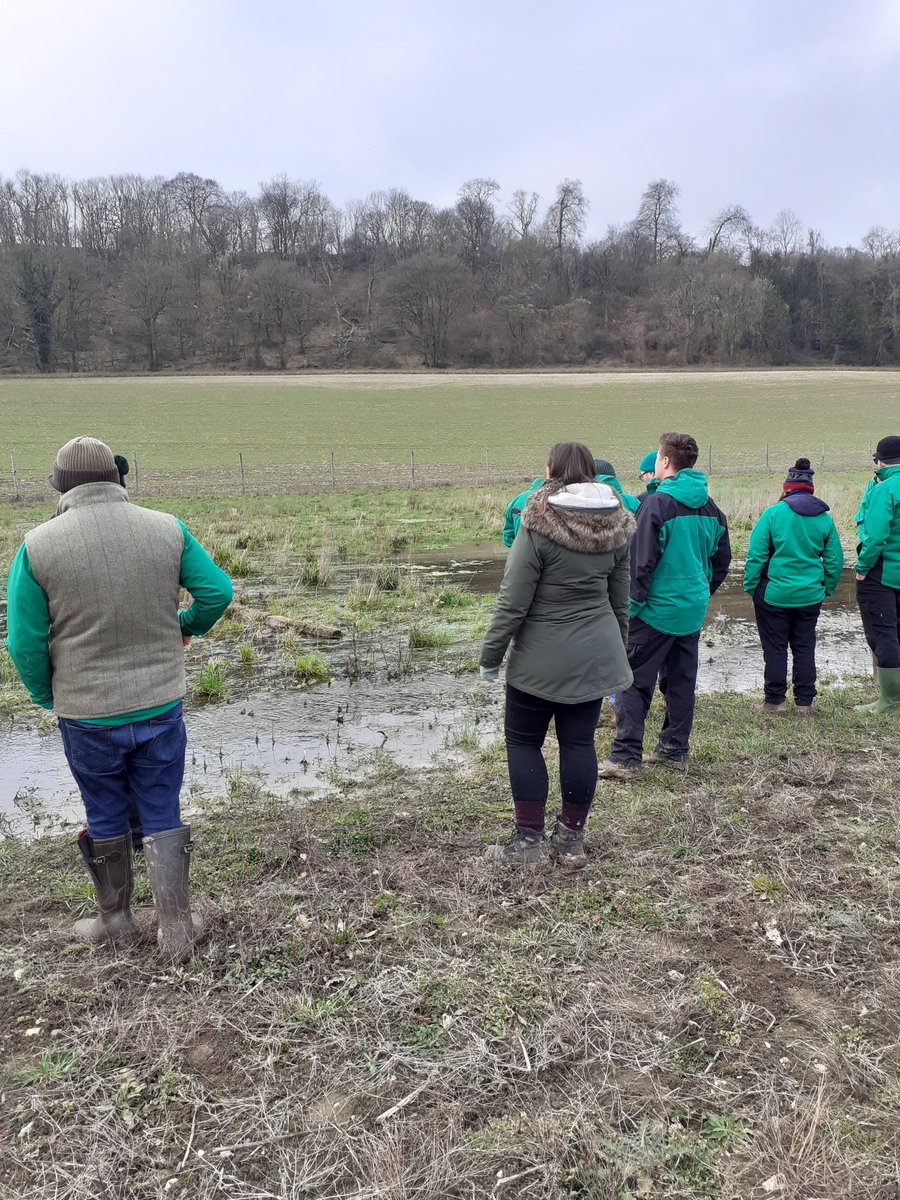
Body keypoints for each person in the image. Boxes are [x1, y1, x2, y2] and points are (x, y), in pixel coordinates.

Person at [5, 436, 233, 960]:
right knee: (160, 805)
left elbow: (23, 642)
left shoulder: (36, 546)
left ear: (61, 486)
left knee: (103, 808)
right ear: (117, 477)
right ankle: (175, 927)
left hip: (85, 714)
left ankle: (116, 920)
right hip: (159, 704)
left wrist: (48, 694)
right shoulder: (167, 529)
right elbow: (217, 593)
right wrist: (184, 625)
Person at [480, 442, 635, 867]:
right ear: (590, 473)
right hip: (594, 656)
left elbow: (512, 601)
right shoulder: (618, 525)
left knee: (524, 741)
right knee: (579, 742)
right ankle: (570, 841)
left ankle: (529, 842)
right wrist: (614, 655)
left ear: (551, 470)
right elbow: (620, 601)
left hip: (538, 661)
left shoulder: (539, 521)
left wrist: (491, 657)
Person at [598, 432, 731, 777]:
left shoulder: (655, 505)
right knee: (681, 680)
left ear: (666, 462)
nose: (655, 463)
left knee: (633, 680)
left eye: (657, 458)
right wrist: (700, 591)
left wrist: (630, 609)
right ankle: (674, 749)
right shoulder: (711, 507)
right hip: (690, 610)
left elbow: (639, 564)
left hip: (654, 611)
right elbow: (722, 560)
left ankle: (626, 757)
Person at [743, 458, 843, 715]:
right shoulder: (824, 519)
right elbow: (834, 560)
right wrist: (826, 588)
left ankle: (774, 702)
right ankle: (804, 704)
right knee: (805, 647)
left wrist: (751, 587)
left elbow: (756, 555)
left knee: (775, 648)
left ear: (786, 487)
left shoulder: (773, 514)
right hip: (810, 595)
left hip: (774, 595)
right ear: (811, 489)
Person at [854, 435, 900, 715]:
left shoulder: (885, 489)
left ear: (880, 461)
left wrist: (861, 568)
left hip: (882, 574)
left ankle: (890, 701)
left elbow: (875, 536)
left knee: (883, 634)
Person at [502, 475, 543, 547]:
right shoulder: (551, 499)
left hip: (519, 551)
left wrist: (516, 547)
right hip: (542, 551)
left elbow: (507, 536)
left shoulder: (516, 500)